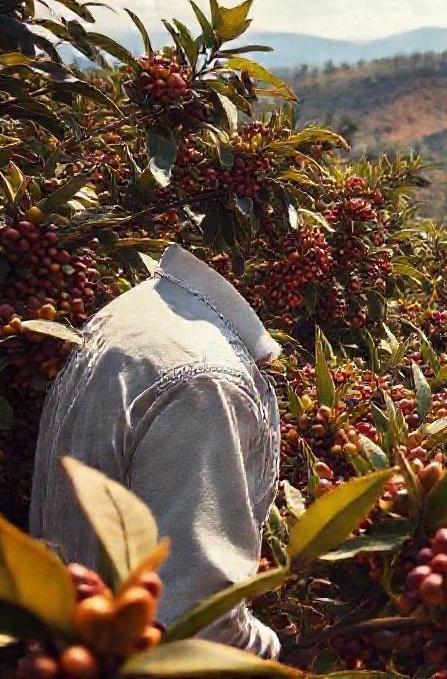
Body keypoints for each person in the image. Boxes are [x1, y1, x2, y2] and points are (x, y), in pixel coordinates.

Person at [30, 244, 281, 658]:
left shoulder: (130, 311)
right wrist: (276, 652)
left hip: (67, 647)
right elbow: (194, 626)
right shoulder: (210, 384)